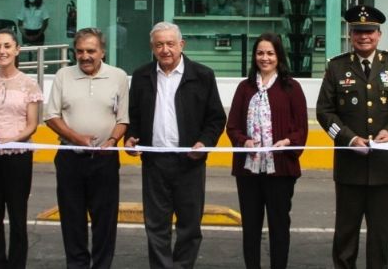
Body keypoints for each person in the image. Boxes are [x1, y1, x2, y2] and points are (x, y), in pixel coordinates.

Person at [316, 5, 388, 269]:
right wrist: (349, 139)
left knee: (379, 235)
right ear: (350, 35)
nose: (364, 36)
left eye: (370, 31)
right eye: (358, 31)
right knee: (345, 235)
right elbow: (324, 112)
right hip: (350, 166)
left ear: (379, 34)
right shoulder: (337, 68)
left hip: (385, 166)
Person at [124, 21, 226, 269]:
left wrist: (204, 142)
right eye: (159, 44)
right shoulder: (141, 76)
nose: (165, 50)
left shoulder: (202, 76)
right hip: (154, 162)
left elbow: (216, 118)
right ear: (152, 47)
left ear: (182, 45)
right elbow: (133, 116)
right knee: (156, 226)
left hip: (190, 162)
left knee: (190, 226)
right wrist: (131, 137)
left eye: (170, 43)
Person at [45, 27, 129, 269]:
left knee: (105, 221)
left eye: (91, 51)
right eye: (80, 51)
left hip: (105, 161)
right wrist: (75, 137)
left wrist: (111, 142)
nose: (85, 56)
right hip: (70, 158)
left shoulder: (118, 77)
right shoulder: (63, 75)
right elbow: (51, 116)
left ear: (102, 52)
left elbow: (123, 119)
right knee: (72, 220)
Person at [226, 33, 308, 269]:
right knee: (250, 227)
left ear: (279, 56)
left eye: (270, 53)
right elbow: (232, 127)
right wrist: (244, 141)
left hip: (280, 170)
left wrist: (288, 142)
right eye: (260, 53)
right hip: (248, 171)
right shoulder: (245, 88)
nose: (265, 58)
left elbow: (301, 129)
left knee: (279, 226)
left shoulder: (291, 88)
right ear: (254, 56)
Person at [0, 28, 42, 269]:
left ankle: (16, 264)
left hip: (18, 157)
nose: (2, 51)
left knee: (17, 217)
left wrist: (14, 138)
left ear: (17, 49)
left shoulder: (28, 84)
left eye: (6, 46)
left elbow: (32, 124)